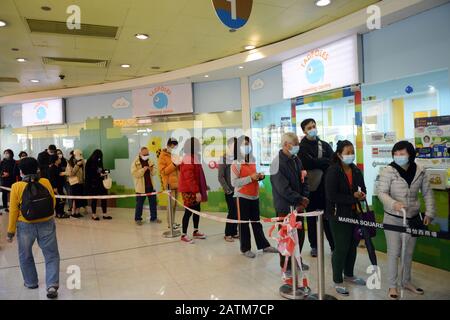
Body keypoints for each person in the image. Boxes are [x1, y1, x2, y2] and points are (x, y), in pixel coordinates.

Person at [377, 141, 435, 299]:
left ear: (410, 154)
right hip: (393, 218)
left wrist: (429, 213)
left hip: (412, 218)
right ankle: (392, 286)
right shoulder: (388, 170)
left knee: (408, 253)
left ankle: (406, 281)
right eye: (396, 153)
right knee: (394, 252)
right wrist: (393, 203)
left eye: (402, 153)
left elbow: (427, 193)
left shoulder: (420, 171)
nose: (399, 156)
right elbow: (381, 192)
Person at [6, 157, 59, 299]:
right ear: (37, 169)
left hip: (25, 225)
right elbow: (53, 201)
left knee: (25, 255)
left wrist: (10, 231)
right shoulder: (45, 182)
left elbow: (13, 211)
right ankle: (52, 285)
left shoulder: (16, 186)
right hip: (47, 223)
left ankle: (31, 282)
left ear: (21, 171)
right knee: (51, 255)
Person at [325, 140, 367, 296]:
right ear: (339, 154)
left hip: (354, 214)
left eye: (352, 152)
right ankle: (337, 280)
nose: (351, 155)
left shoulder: (355, 170)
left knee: (352, 245)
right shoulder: (333, 171)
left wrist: (361, 194)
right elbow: (332, 195)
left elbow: (363, 188)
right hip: (338, 216)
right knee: (341, 247)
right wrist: (353, 198)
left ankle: (349, 274)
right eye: (347, 152)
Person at [270, 132, 310, 279]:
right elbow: (283, 189)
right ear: (286, 145)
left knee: (299, 236)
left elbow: (304, 178)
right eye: (295, 144)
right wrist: (300, 199)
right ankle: (285, 266)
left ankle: (297, 260)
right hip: (285, 208)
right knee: (286, 238)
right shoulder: (276, 163)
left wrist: (304, 197)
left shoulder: (296, 159)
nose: (298, 147)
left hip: (299, 206)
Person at [231, 135, 278, 258]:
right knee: (244, 224)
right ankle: (245, 248)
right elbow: (234, 182)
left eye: (248, 144)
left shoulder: (253, 160)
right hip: (241, 197)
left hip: (254, 196)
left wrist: (259, 176)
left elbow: (254, 176)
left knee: (256, 223)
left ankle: (264, 245)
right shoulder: (236, 163)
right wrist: (250, 178)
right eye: (243, 144)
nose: (247, 147)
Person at [298, 118, 335, 257]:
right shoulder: (301, 147)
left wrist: (318, 162)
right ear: (304, 131)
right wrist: (322, 162)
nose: (313, 129)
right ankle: (314, 246)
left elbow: (332, 161)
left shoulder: (324, 145)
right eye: (309, 127)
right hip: (310, 188)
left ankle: (333, 246)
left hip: (325, 189)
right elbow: (307, 162)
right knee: (312, 218)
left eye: (314, 126)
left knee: (327, 218)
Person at [177, 137, 208, 243]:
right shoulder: (187, 159)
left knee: (197, 210)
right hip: (188, 190)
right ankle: (183, 234)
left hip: (194, 188)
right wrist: (197, 191)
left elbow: (198, 175)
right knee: (188, 211)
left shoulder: (194, 157)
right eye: (197, 145)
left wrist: (203, 186)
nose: (199, 146)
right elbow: (189, 178)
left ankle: (195, 231)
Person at [131, 147, 160, 225]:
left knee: (153, 203)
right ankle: (138, 219)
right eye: (144, 154)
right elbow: (135, 174)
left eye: (147, 154)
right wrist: (143, 169)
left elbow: (154, 173)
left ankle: (154, 218)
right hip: (141, 188)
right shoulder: (135, 162)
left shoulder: (150, 161)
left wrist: (151, 169)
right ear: (140, 153)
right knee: (139, 204)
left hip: (150, 186)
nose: (146, 155)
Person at [218, 137, 239, 242]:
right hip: (230, 191)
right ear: (229, 146)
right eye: (233, 145)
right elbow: (220, 177)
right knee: (232, 212)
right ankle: (227, 234)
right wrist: (227, 190)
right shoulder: (224, 158)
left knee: (237, 212)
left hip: (238, 190)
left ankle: (234, 232)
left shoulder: (238, 158)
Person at [158, 138, 181, 229]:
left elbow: (177, 169)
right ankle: (170, 223)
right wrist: (174, 165)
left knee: (175, 205)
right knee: (170, 205)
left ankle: (173, 221)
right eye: (173, 146)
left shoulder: (174, 155)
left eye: (176, 146)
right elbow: (163, 171)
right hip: (169, 184)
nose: (175, 147)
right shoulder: (162, 156)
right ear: (169, 145)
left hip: (177, 184)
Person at [85, 149, 112, 221]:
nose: (100, 158)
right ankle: (93, 215)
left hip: (101, 183)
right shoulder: (89, 162)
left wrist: (106, 171)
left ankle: (105, 214)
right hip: (93, 184)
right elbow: (89, 174)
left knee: (104, 198)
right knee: (94, 199)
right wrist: (99, 174)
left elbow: (101, 170)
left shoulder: (99, 161)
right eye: (99, 156)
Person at [66, 149, 86, 219]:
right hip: (74, 183)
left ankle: (77, 212)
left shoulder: (82, 161)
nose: (80, 156)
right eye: (78, 154)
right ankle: (73, 213)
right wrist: (77, 165)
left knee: (79, 198)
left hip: (81, 182)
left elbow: (84, 172)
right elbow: (71, 173)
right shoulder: (70, 162)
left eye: (80, 154)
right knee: (75, 198)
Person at [48, 154, 70, 219]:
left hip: (60, 186)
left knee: (61, 199)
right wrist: (54, 187)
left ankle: (61, 212)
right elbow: (52, 179)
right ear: (55, 160)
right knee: (59, 200)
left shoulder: (58, 166)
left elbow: (60, 174)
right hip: (56, 187)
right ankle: (59, 213)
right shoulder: (52, 168)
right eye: (58, 159)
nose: (60, 160)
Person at [1, 149, 16, 213]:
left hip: (11, 179)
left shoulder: (14, 162)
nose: (6, 154)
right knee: (4, 193)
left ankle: (12, 205)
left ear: (11, 154)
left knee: (12, 193)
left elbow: (16, 171)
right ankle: (5, 206)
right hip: (4, 179)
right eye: (5, 153)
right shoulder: (2, 162)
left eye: (7, 153)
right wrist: (2, 174)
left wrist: (9, 174)